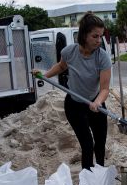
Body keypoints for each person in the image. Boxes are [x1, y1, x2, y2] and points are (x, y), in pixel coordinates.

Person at [32, 12, 112, 170]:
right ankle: (86, 180)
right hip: (74, 105)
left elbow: (104, 89)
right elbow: (61, 66)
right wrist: (44, 75)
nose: (99, 40)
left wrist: (97, 102)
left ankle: (100, 173)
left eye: (101, 36)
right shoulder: (69, 52)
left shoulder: (102, 57)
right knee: (88, 144)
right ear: (84, 35)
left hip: (95, 103)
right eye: (95, 36)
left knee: (100, 143)